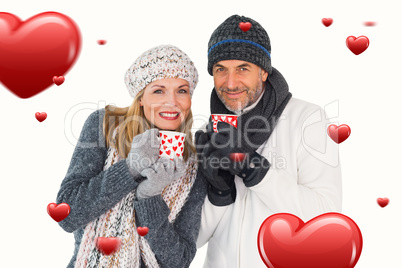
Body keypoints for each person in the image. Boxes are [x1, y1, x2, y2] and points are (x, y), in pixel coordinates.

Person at [195, 15, 342, 267]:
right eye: (221, 69)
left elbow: (327, 218)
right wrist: (219, 191)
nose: (230, 83)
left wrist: (255, 170)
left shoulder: (307, 119)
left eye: (243, 68)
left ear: (263, 71)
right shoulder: (209, 133)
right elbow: (193, 239)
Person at [55, 45, 207, 268]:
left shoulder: (193, 167)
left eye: (182, 90)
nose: (172, 102)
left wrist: (149, 198)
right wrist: (130, 169)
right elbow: (67, 215)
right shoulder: (104, 126)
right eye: (159, 90)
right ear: (141, 98)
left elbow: (179, 261)